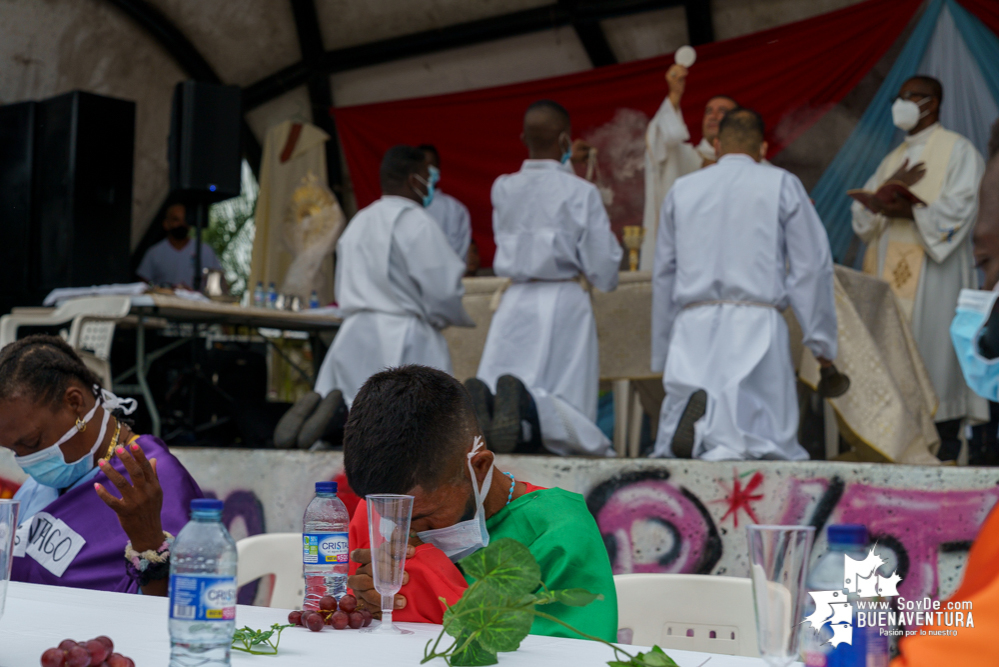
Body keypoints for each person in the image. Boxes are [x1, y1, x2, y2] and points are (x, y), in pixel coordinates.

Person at [344, 365, 618, 642]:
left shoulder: (558, 533)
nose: (402, 532)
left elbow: (569, 654)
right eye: (389, 514)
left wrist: (435, 584)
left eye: (420, 517)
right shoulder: (377, 514)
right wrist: (364, 602)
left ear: (480, 467)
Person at [651, 108, 837, 460]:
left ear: (716, 145)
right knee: (762, 441)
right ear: (763, 149)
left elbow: (663, 272)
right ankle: (716, 434)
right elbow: (811, 269)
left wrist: (663, 347)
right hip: (757, 325)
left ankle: (702, 431)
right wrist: (822, 345)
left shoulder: (683, 189)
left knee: (682, 446)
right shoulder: (781, 184)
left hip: (693, 323)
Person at [287, 146, 473, 449]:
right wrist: (447, 316)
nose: (431, 185)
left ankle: (335, 423)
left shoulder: (360, 220)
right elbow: (443, 289)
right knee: (410, 425)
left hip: (354, 334)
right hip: (405, 335)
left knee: (356, 403)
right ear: (414, 180)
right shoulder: (417, 222)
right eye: (428, 177)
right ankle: (346, 427)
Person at [467, 100, 622, 457]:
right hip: (564, 300)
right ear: (566, 142)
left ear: (523, 138)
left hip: (514, 302)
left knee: (502, 376)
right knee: (561, 391)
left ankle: (502, 413)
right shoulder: (580, 192)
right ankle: (536, 416)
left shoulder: (503, 187)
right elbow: (605, 268)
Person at [0, 335, 202, 595]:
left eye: (31, 441)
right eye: (13, 450)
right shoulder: (40, 486)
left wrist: (149, 542)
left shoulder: (155, 480)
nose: (26, 461)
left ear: (74, 402)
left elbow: (181, 607)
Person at [852, 75, 988, 461]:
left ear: (933, 102)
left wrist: (910, 210)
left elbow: (965, 209)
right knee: (896, 363)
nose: (903, 103)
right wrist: (877, 200)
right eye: (900, 96)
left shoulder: (958, 151)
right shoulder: (892, 159)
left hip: (935, 278)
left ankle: (944, 443)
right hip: (890, 282)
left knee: (934, 360)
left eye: (911, 96)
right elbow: (862, 221)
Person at [640, 63, 740, 270]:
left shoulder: (756, 164)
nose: (713, 116)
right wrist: (674, 96)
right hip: (690, 262)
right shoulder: (685, 157)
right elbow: (659, 137)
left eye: (722, 111)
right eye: (708, 111)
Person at [136, 199, 223, 289]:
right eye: (176, 219)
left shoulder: (204, 250)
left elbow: (219, 285)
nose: (182, 224)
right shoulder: (154, 252)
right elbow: (142, 284)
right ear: (166, 224)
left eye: (185, 219)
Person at [418, 144, 472, 263]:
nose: (427, 170)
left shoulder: (454, 209)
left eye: (431, 165)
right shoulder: (403, 207)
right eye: (423, 165)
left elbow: (457, 252)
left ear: (438, 169)